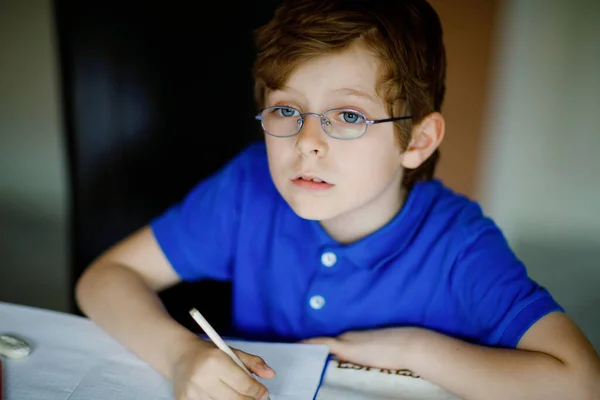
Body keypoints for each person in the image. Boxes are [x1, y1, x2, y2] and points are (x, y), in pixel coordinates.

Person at [75, 0, 600, 399]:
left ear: (416, 140)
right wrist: (180, 354)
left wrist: (415, 350)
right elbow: (104, 279)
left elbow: (580, 382)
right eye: (286, 110)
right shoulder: (248, 188)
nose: (306, 141)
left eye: (348, 116)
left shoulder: (459, 248)